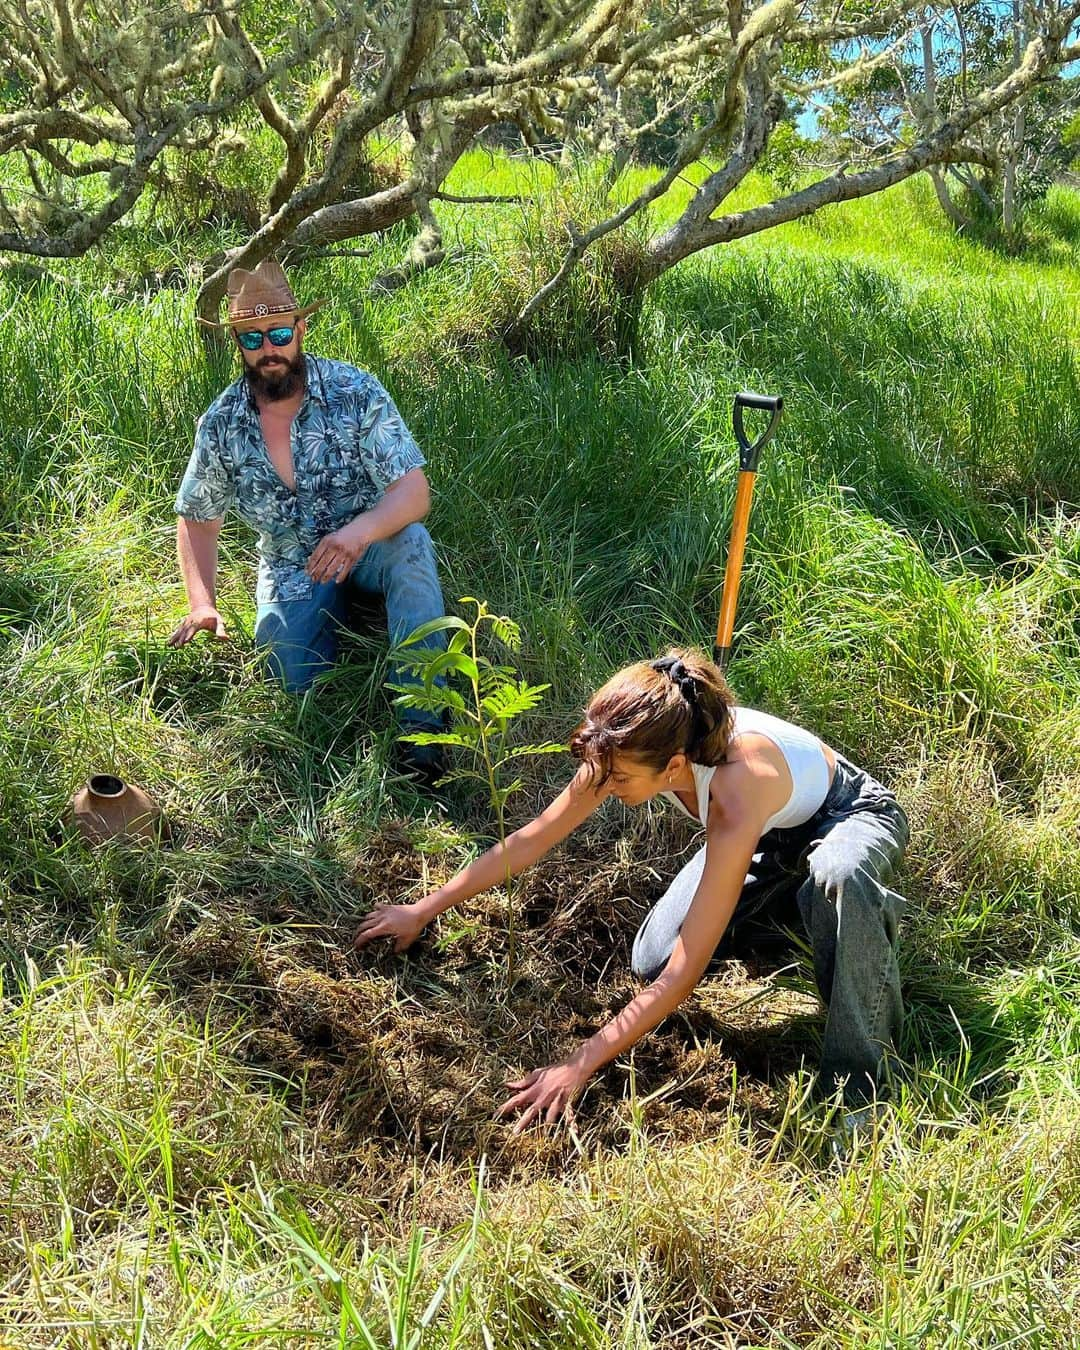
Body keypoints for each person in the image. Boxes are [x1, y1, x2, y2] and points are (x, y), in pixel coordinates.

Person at [355, 649, 909, 1128]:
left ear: (673, 766)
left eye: (619, 780)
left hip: (846, 815)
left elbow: (685, 977)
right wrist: (425, 908)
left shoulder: (737, 791)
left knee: (838, 874)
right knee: (651, 957)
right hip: (770, 837)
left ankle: (862, 1083)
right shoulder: (620, 751)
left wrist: (579, 1063)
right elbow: (530, 840)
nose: (607, 786)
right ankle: (807, 912)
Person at [169, 257, 447, 782]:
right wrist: (202, 602)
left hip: (370, 539)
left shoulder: (355, 391)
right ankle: (350, 613)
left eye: (277, 332)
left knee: (411, 546)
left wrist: (357, 533)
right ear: (239, 346)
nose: (268, 350)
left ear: (300, 329)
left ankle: (424, 735)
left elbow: (412, 493)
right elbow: (197, 518)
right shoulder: (223, 422)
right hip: (291, 560)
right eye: (253, 339)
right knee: (291, 685)